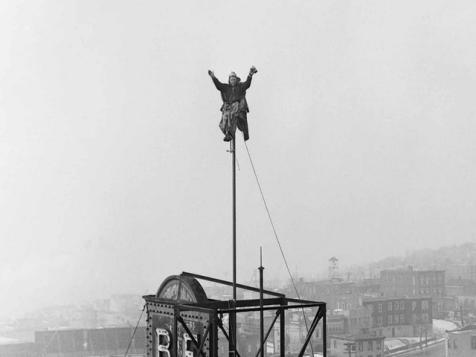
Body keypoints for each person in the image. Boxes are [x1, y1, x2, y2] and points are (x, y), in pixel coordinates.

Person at [208, 66, 258, 141]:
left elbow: (247, 84)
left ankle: (230, 132)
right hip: (228, 107)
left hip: (237, 106)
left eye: (234, 79)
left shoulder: (240, 86)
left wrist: (250, 75)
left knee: (233, 112)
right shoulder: (226, 87)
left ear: (236, 80)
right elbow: (218, 85)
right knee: (225, 117)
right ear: (229, 80)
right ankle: (228, 133)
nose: (233, 81)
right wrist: (213, 77)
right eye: (231, 79)